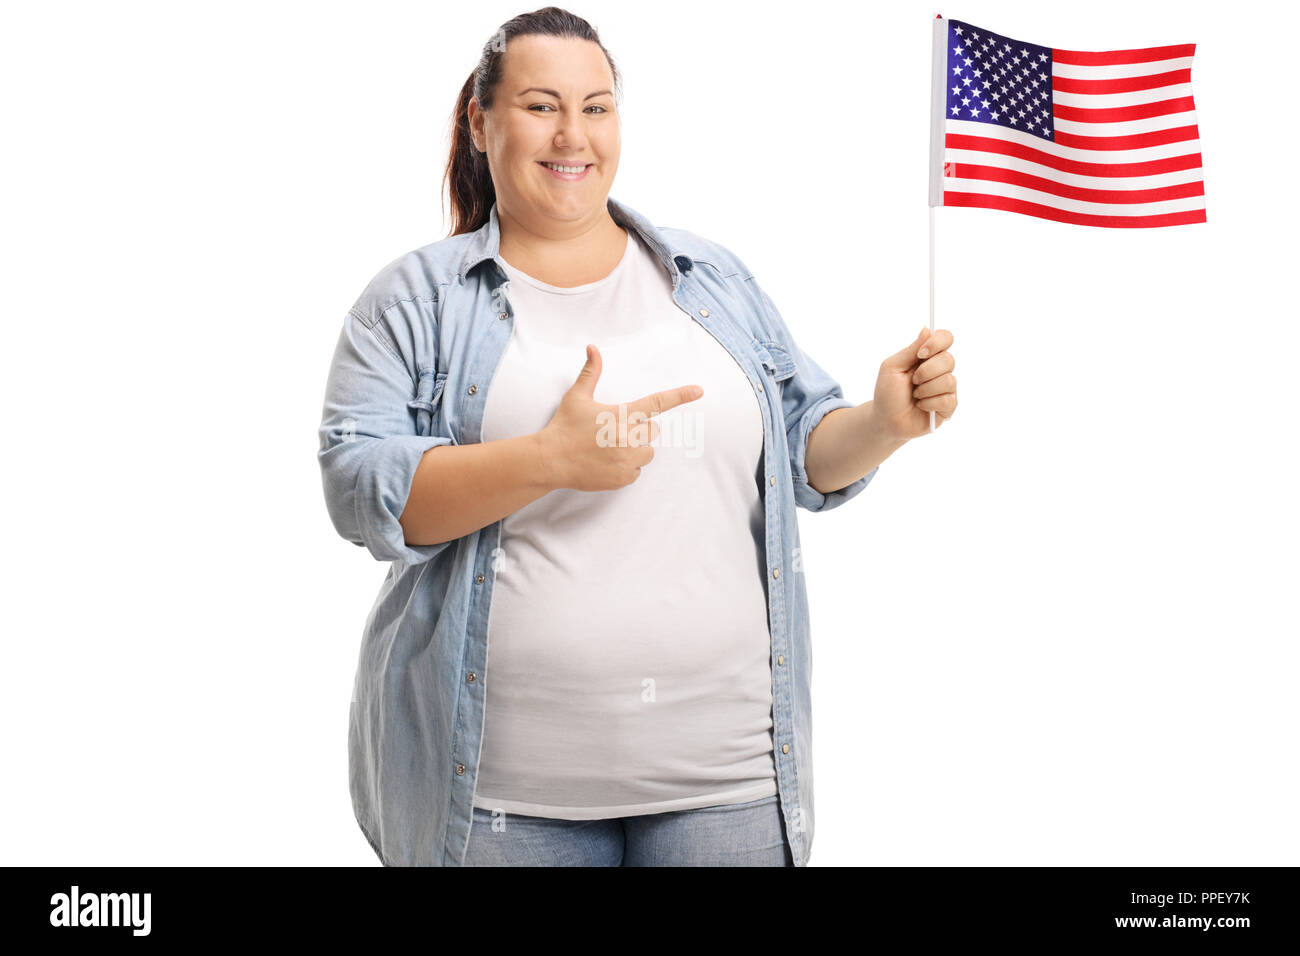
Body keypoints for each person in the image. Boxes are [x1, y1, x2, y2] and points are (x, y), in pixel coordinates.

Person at [317, 6, 957, 867]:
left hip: (729, 783)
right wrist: (547, 461)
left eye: (597, 106)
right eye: (541, 105)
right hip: (500, 798)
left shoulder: (711, 280)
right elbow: (359, 491)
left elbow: (805, 450)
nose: (572, 135)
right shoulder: (413, 302)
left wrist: (884, 424)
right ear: (481, 120)